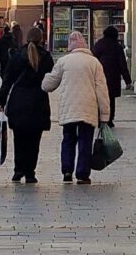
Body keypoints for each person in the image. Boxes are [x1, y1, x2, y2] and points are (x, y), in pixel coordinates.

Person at [41, 32, 110, 184]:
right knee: (85, 141)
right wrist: (105, 115)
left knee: (68, 139)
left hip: (69, 108)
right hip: (88, 108)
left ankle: (67, 170)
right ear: (85, 45)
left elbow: (48, 85)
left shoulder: (63, 61)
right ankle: (82, 174)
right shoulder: (94, 63)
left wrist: (45, 76)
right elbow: (102, 90)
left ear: (70, 46)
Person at [0, 27, 53, 183]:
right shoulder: (46, 57)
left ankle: (18, 170)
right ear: (41, 39)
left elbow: (7, 80)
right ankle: (30, 172)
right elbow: (50, 79)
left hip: (18, 102)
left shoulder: (17, 55)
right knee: (34, 141)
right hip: (38, 102)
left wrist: (1, 100)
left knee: (19, 139)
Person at [92, 26, 132, 125]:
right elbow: (122, 64)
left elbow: (93, 59)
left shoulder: (99, 44)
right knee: (111, 99)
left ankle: (99, 117)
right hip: (113, 77)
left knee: (100, 97)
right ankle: (109, 119)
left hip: (99, 76)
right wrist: (128, 81)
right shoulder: (117, 46)